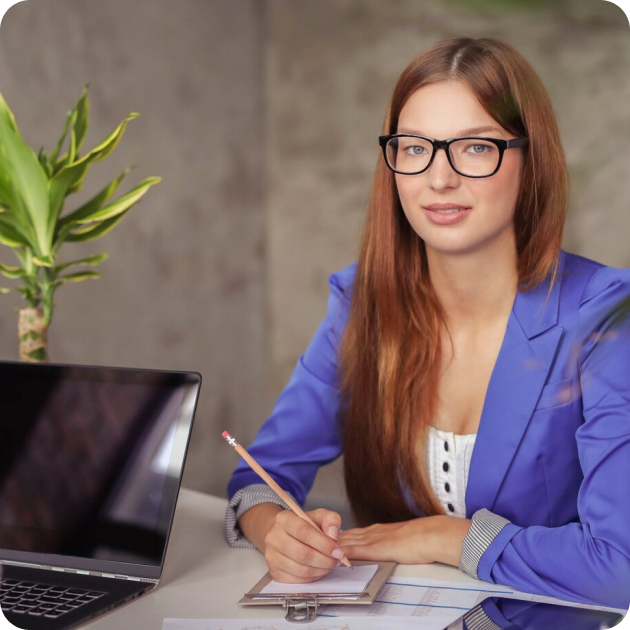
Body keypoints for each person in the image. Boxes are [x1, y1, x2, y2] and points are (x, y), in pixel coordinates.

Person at [225, 36, 630, 609]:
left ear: (530, 159)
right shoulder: (360, 303)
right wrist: (275, 531)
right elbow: (259, 476)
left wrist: (446, 537)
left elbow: (620, 566)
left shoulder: (604, 315)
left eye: (475, 147)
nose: (439, 179)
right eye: (415, 148)